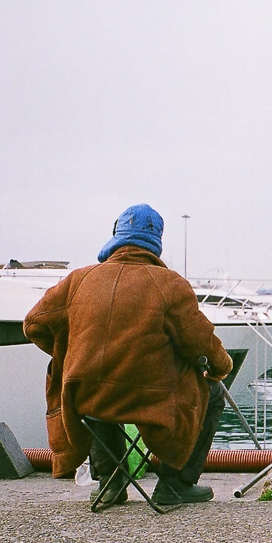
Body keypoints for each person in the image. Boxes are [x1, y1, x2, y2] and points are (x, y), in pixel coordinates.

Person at [24, 204, 234, 506]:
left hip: (86, 397)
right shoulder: (171, 284)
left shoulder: (77, 280)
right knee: (213, 394)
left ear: (116, 235)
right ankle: (175, 484)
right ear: (156, 241)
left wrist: (68, 354)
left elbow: (33, 324)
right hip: (151, 400)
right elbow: (201, 343)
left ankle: (111, 482)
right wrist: (222, 366)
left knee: (96, 389)